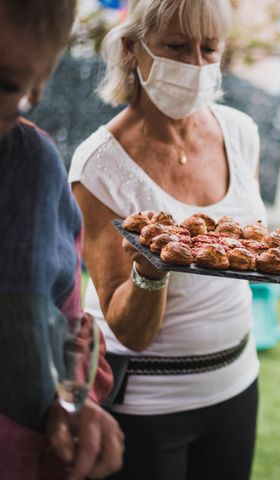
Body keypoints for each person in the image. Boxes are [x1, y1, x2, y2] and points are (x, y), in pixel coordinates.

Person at [69, 0, 265, 478]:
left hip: (236, 384)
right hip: (147, 405)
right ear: (134, 49)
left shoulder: (240, 133)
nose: (196, 65)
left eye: (209, 48)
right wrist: (151, 269)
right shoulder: (100, 165)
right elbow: (130, 330)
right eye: (177, 47)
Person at [0, 1, 124, 479]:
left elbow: (73, 327)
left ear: (36, 86)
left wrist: (72, 400)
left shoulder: (34, 170)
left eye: (3, 85)